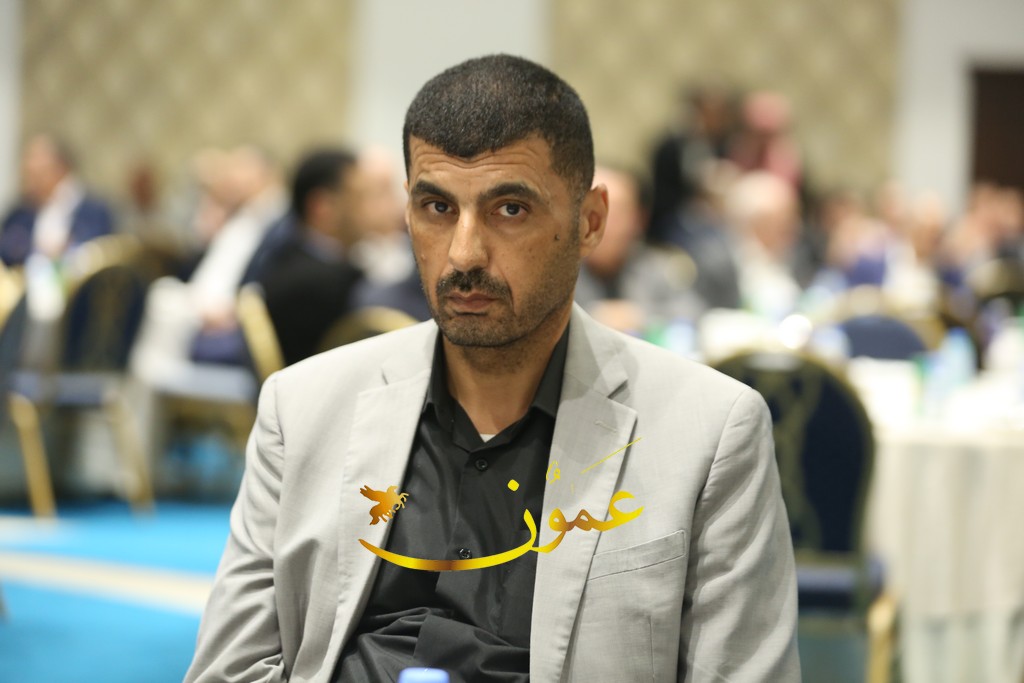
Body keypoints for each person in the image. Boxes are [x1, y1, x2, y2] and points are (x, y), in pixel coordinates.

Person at [185, 54, 799, 683]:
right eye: (437, 207)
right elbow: (230, 670)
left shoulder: (709, 432)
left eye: (510, 209)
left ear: (590, 221)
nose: (464, 254)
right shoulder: (302, 406)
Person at [257, 148, 365, 366]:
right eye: (360, 198)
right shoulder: (324, 284)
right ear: (323, 207)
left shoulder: (283, 258)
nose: (369, 209)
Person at [0, 134, 115, 266]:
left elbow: (100, 253)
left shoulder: (95, 212)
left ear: (60, 168)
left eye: (38, 174)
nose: (30, 183)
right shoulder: (20, 214)